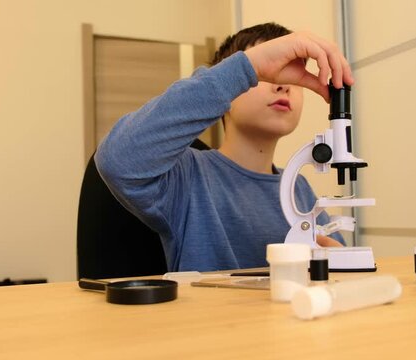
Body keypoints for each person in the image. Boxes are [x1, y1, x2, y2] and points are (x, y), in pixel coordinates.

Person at [95, 22, 355, 272]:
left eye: (293, 78)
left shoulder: (299, 188)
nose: (283, 85)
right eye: (266, 75)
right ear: (231, 88)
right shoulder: (186, 176)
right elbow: (117, 161)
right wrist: (247, 67)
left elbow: (336, 263)